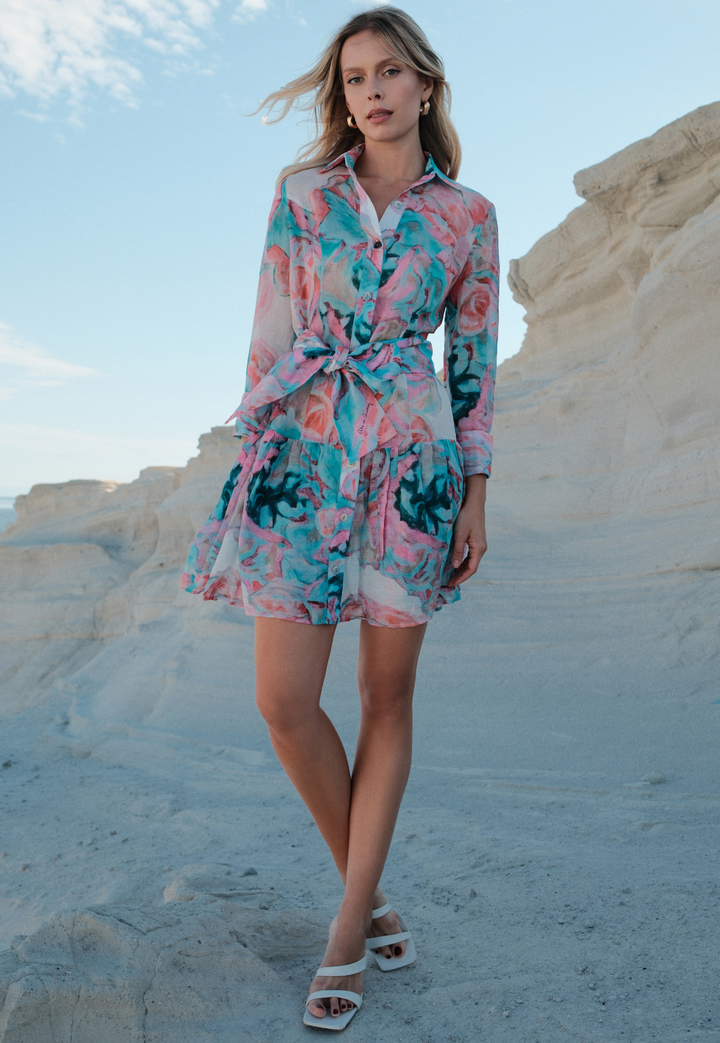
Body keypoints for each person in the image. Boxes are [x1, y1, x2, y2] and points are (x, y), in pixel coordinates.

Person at [181, 5, 498, 1030]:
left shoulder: (468, 217)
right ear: (344, 94)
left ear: (424, 87)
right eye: (357, 75)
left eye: (391, 71)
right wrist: (252, 453)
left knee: (384, 698)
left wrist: (475, 491)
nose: (373, 89)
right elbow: (269, 327)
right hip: (305, 453)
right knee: (283, 700)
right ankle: (370, 893)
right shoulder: (302, 197)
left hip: (412, 464)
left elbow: (474, 367)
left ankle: (349, 922)